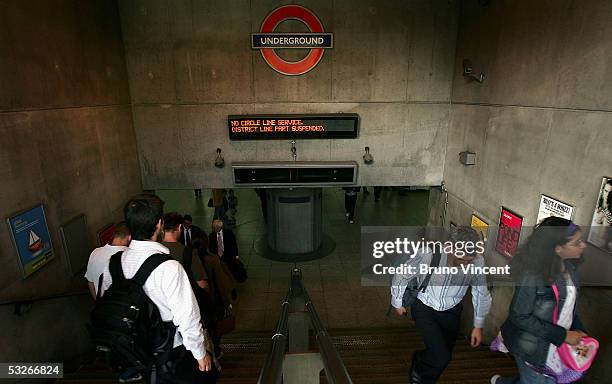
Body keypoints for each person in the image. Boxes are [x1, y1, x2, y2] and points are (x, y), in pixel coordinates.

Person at [99, 194, 216, 383]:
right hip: (169, 354)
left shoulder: (112, 264)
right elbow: (187, 318)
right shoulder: (169, 267)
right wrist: (200, 354)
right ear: (160, 224)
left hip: (132, 352)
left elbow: (107, 303)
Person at [491, 217, 589, 384]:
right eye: (577, 242)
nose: (583, 245)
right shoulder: (532, 277)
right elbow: (520, 316)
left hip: (555, 347)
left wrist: (579, 330)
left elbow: (568, 308)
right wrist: (563, 335)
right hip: (532, 347)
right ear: (558, 248)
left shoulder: (570, 270)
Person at [391, 226, 492, 384]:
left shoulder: (478, 262)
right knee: (442, 357)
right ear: (450, 248)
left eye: (468, 261)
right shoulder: (429, 254)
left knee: (443, 355)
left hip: (452, 312)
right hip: (425, 308)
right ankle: (422, 379)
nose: (465, 265)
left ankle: (421, 360)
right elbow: (402, 274)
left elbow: (481, 293)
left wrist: (478, 326)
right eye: (461, 260)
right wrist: (397, 302)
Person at [84, 222, 130, 300]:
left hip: (103, 308)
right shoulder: (128, 256)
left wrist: (98, 303)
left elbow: (90, 283)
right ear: (129, 237)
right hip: (123, 307)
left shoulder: (95, 252)